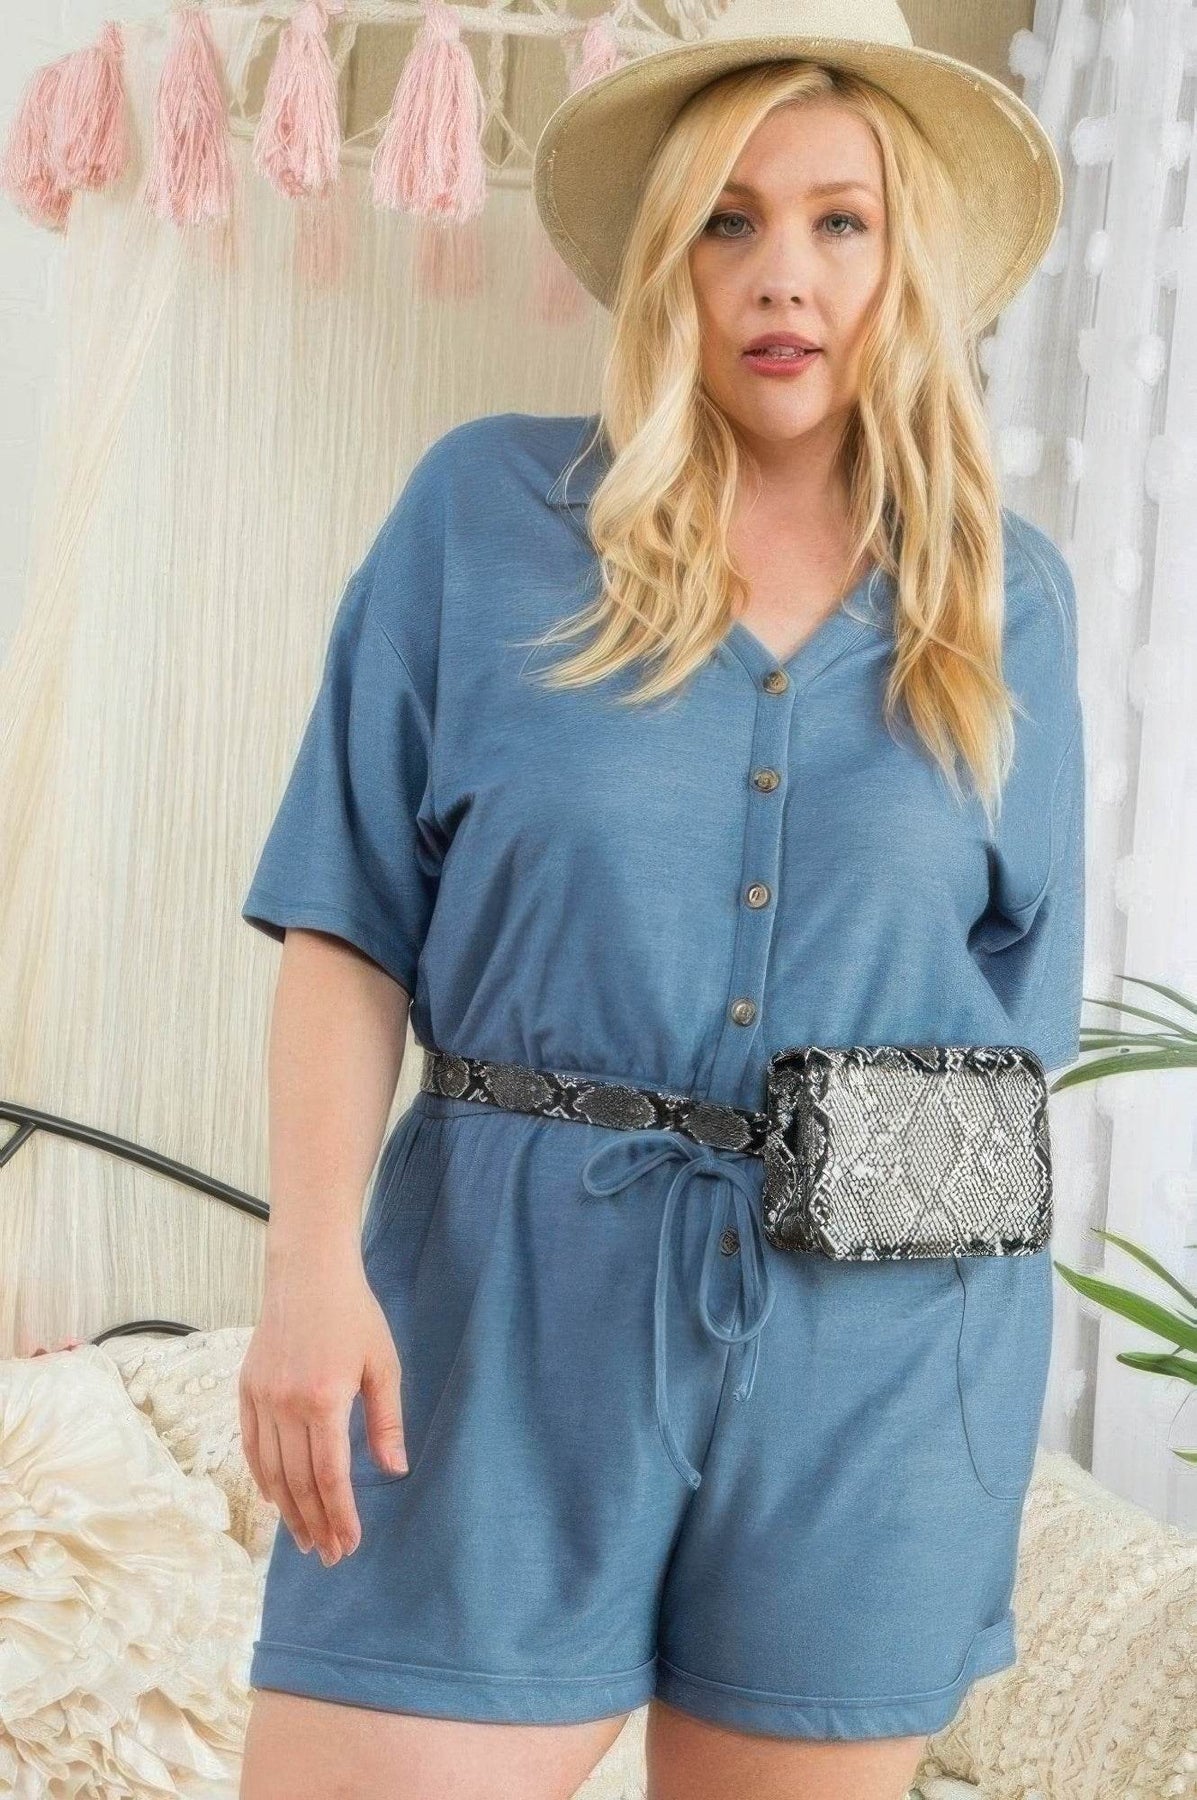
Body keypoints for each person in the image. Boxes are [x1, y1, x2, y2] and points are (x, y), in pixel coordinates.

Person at [236, 0, 1085, 1795]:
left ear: (905, 263)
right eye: (727, 220)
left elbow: (1017, 1034)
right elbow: (346, 922)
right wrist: (307, 1267)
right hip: (497, 1311)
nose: (782, 273)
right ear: (664, 263)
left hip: (875, 1364)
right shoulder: (483, 514)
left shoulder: (1003, 597)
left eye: (839, 221)